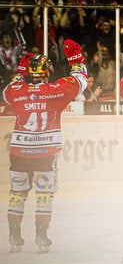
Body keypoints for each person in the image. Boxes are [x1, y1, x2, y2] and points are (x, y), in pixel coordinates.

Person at [3, 41, 86, 252]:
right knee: (44, 194)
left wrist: (20, 70)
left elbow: (7, 92)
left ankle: (14, 234)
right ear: (49, 72)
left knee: (17, 192)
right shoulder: (56, 89)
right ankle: (41, 235)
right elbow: (80, 81)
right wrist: (76, 59)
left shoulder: (17, 90)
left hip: (19, 152)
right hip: (45, 152)